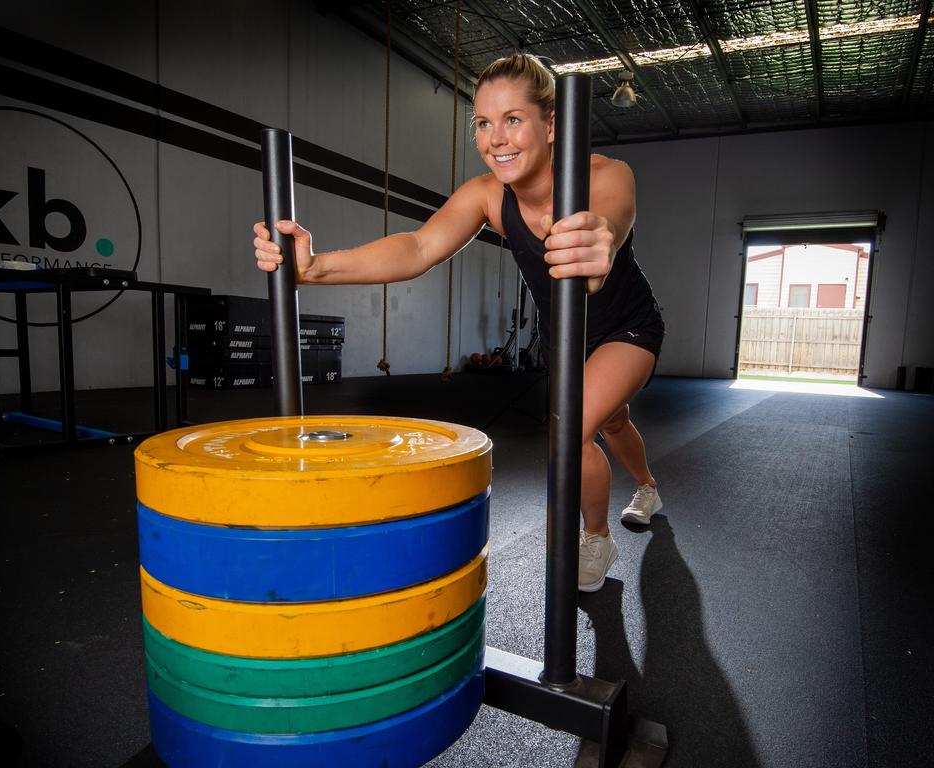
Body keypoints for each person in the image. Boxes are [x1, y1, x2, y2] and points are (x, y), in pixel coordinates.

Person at [254, 54, 664, 592]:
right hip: (567, 338)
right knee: (611, 423)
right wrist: (316, 267)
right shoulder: (487, 196)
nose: (496, 138)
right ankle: (649, 486)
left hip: (627, 329)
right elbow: (418, 247)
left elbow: (608, 218)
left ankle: (595, 536)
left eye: (513, 119)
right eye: (484, 123)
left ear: (551, 124)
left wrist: (595, 240)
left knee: (574, 427)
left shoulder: (607, 174)